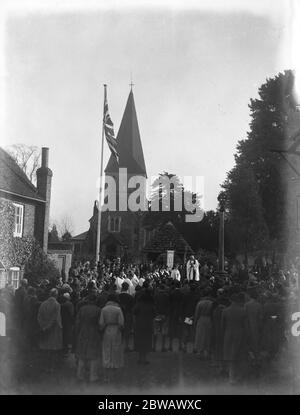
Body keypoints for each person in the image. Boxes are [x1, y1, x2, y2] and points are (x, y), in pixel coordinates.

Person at [75, 293, 101, 382]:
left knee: (82, 354)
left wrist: (77, 331)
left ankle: (80, 375)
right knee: (94, 355)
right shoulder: (98, 310)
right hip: (94, 332)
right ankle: (93, 377)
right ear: (95, 300)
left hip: (83, 331)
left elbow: (77, 322)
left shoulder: (82, 309)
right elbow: (100, 324)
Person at [221, 292, 247, 384]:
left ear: (230, 300)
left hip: (228, 334)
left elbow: (222, 325)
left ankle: (231, 377)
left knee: (230, 356)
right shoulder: (243, 310)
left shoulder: (225, 311)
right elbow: (245, 325)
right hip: (240, 333)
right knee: (239, 354)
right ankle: (239, 376)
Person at [37, 288, 63, 373]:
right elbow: (55, 318)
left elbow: (39, 316)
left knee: (45, 350)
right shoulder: (57, 304)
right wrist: (48, 327)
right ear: (56, 295)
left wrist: (43, 326)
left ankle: (45, 367)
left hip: (44, 328)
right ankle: (51, 368)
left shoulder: (43, 304)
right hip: (53, 330)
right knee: (53, 350)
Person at [99, 293, 124, 378]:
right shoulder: (118, 309)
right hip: (116, 329)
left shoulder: (104, 309)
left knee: (106, 348)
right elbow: (121, 323)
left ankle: (107, 366)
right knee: (116, 348)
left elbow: (101, 323)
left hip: (107, 329)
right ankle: (114, 366)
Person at [133, 290, 155, 364]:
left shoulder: (139, 304)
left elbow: (134, 312)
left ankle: (140, 358)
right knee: (147, 341)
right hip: (148, 325)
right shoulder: (151, 305)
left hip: (139, 325)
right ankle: (144, 359)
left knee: (140, 341)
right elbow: (154, 314)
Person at [194, 289, 214, 359]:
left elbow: (197, 313)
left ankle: (200, 351)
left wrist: (195, 322)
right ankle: (207, 351)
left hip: (201, 319)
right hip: (209, 319)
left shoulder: (200, 303)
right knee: (208, 335)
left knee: (200, 335)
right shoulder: (212, 303)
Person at [119, 282, 135, 351]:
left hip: (119, 314)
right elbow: (132, 307)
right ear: (127, 288)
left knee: (120, 331)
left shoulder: (118, 296)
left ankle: (120, 346)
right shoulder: (130, 297)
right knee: (127, 331)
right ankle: (126, 346)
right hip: (128, 314)